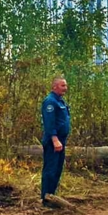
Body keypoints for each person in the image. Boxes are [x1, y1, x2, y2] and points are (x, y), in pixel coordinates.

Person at [41, 77, 71, 206]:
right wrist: (55, 139)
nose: (65, 88)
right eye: (62, 85)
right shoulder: (50, 102)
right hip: (54, 141)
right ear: (54, 87)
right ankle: (46, 198)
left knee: (58, 169)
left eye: (66, 85)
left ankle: (52, 196)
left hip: (60, 140)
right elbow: (49, 123)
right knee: (51, 169)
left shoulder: (60, 101)